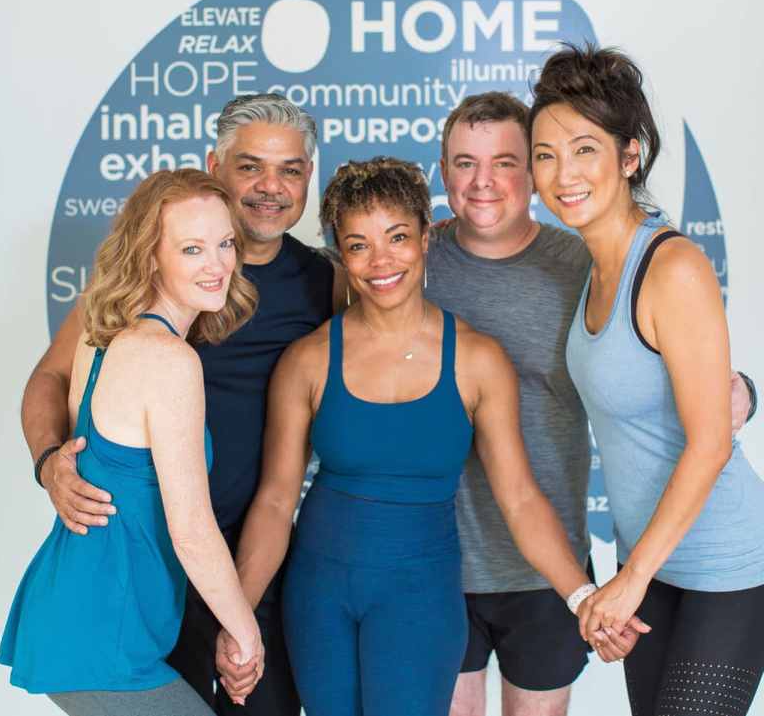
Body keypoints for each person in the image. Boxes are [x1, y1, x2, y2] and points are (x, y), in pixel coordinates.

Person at [217, 157, 633, 716]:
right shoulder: (308, 360)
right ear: (341, 254)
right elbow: (273, 502)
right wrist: (237, 617)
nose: (381, 261)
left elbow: (519, 498)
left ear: (425, 239)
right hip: (319, 592)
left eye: (397, 237)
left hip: (421, 594)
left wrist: (583, 597)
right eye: (359, 245)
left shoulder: (477, 360)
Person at [430, 92, 757, 716]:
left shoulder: (596, 262)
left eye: (507, 161)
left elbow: (695, 394)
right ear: (443, 172)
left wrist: (743, 389)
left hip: (582, 567)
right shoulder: (409, 262)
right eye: (465, 163)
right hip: (451, 560)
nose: (483, 181)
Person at [19, 94, 343, 715]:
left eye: (290, 170)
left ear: (309, 177)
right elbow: (52, 377)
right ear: (214, 168)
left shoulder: (323, 282)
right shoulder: (135, 304)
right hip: (149, 566)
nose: (270, 187)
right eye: (250, 166)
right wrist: (49, 461)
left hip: (245, 560)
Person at [529, 43, 764, 716]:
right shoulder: (592, 267)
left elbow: (710, 443)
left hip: (723, 567)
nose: (563, 174)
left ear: (629, 156)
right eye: (545, 154)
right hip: (651, 565)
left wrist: (629, 579)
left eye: (584, 149)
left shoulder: (671, 267)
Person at [0, 169, 262, 715]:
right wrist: (245, 633)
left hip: (80, 616)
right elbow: (191, 530)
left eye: (225, 243)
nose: (217, 264)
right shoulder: (169, 359)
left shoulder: (101, 336)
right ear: (151, 256)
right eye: (192, 248)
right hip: (102, 637)